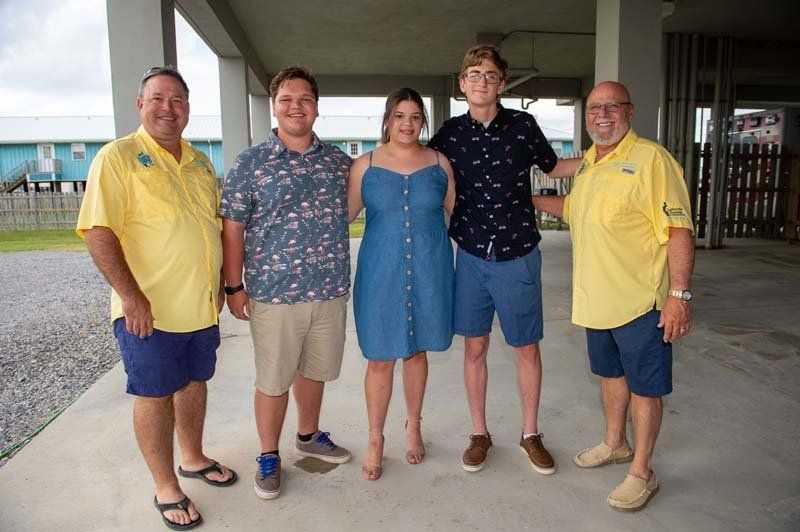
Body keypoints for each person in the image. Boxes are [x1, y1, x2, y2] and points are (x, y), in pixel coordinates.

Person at [76, 65, 237, 531]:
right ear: (140, 105)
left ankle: (193, 458)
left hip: (200, 308)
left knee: (193, 384)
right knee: (154, 394)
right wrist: (130, 295)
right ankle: (166, 484)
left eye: (179, 100)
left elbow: (211, 228)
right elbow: (99, 230)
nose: (169, 108)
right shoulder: (117, 157)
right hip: (148, 311)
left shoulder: (201, 161)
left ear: (187, 109)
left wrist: (224, 285)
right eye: (159, 99)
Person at [534, 81, 695, 511]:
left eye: (611, 107)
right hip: (597, 301)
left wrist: (679, 294)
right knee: (610, 376)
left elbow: (679, 229)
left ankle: (642, 471)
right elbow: (573, 210)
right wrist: (525, 199)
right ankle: (615, 443)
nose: (601, 115)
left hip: (641, 303)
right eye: (593, 108)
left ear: (630, 111)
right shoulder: (590, 162)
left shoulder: (652, 161)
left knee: (645, 388)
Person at [428, 44, 580, 475]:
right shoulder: (449, 134)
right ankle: (480, 433)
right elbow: (423, 169)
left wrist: (602, 156)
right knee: (474, 347)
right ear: (462, 84)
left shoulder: (524, 126)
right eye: (474, 74)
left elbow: (553, 168)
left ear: (501, 83)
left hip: (519, 253)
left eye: (490, 75)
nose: (481, 81)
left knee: (526, 348)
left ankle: (530, 434)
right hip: (472, 254)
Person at [220, 66, 352, 501]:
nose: (296, 106)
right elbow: (233, 226)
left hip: (329, 290)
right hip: (274, 294)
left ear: (317, 107)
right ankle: (268, 454)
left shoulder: (337, 162)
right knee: (274, 379)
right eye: (287, 99)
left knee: (315, 372)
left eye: (305, 99)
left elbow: (372, 190)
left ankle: (309, 435)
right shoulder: (251, 162)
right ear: (275, 107)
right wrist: (234, 286)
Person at [348, 88, 456, 480]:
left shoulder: (440, 163)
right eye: (399, 116)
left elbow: (460, 216)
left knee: (417, 352)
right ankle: (375, 438)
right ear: (387, 120)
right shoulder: (365, 165)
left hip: (430, 270)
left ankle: (414, 425)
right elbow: (340, 218)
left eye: (414, 116)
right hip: (381, 272)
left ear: (422, 121)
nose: (407, 123)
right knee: (380, 357)